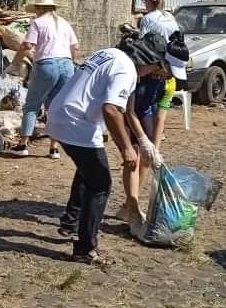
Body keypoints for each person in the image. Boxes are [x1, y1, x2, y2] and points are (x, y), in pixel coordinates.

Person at [48, 33, 167, 265]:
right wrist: (126, 148)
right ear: (148, 61)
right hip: (75, 122)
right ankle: (85, 249)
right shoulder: (127, 70)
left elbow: (127, 110)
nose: (153, 71)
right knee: (101, 184)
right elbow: (111, 110)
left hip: (62, 115)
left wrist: (143, 141)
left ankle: (71, 222)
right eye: (154, 66)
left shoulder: (110, 54)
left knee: (88, 170)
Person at [119, 32, 189, 229]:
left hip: (147, 111)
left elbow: (161, 116)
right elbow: (129, 110)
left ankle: (130, 203)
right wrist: (142, 140)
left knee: (146, 162)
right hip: (127, 111)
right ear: (160, 61)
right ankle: (133, 207)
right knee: (133, 157)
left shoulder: (169, 82)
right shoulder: (139, 71)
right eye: (167, 69)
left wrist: (154, 149)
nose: (167, 75)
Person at [10, 0, 78, 159]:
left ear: (40, 8)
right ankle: (54, 148)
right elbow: (75, 47)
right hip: (67, 65)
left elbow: (27, 45)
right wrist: (70, 63)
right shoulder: (64, 22)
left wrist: (15, 62)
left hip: (47, 65)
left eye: (36, 9)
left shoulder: (38, 23)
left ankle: (23, 144)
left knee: (32, 105)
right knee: (55, 107)